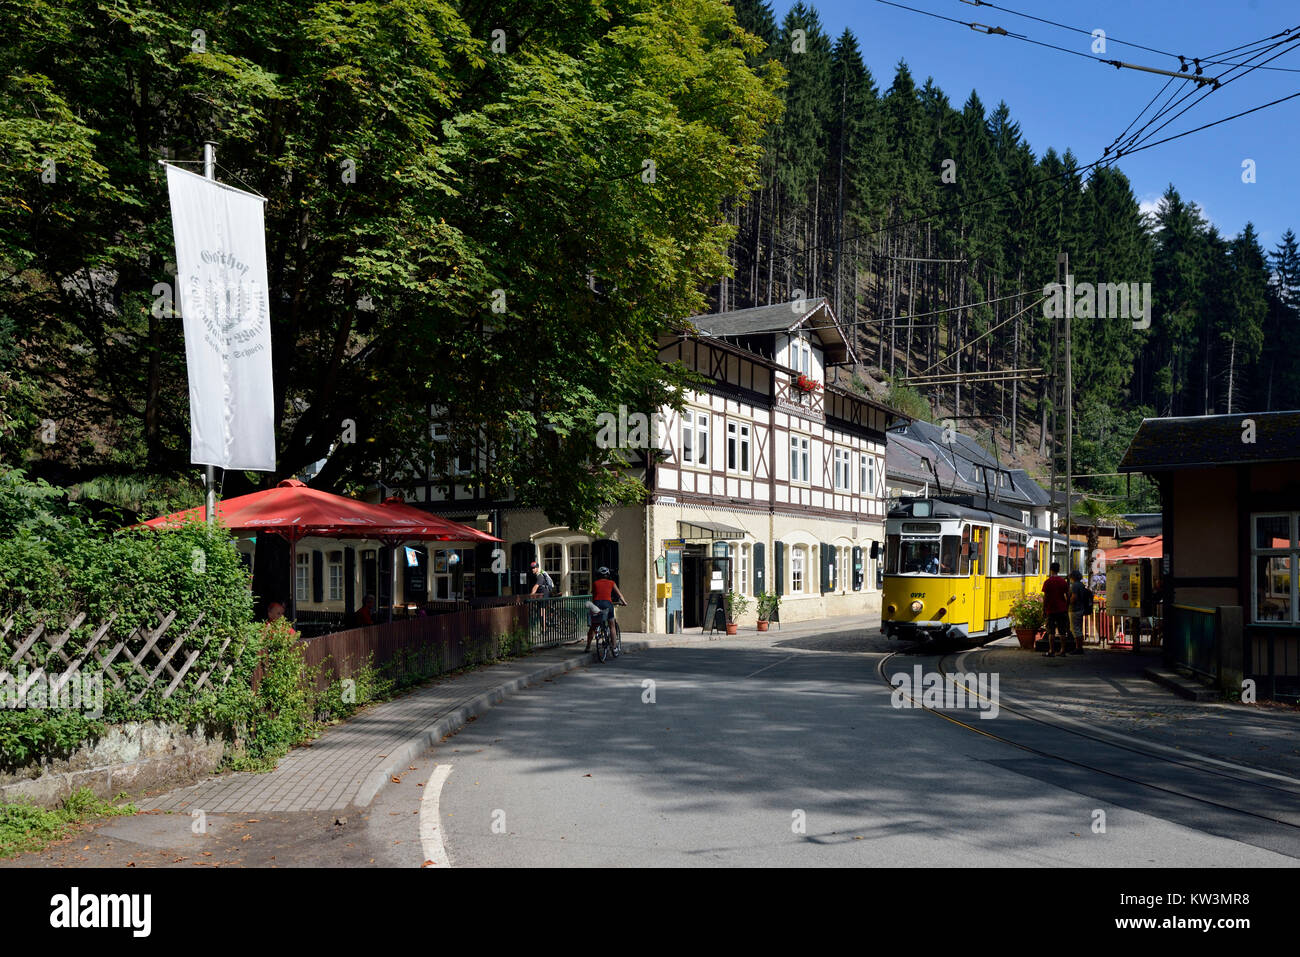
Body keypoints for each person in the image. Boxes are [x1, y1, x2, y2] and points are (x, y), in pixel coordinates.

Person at [585, 566, 626, 652]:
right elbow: (619, 595)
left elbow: (594, 596)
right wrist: (624, 602)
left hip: (596, 604)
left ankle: (588, 646)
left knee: (593, 626)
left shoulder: (595, 583)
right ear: (607, 575)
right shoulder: (611, 583)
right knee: (612, 625)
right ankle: (614, 647)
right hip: (607, 604)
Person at [1041, 562, 1071, 657]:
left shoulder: (1047, 582)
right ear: (1059, 570)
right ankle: (1062, 651)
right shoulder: (1063, 582)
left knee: (1051, 631)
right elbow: (1068, 595)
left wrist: (1044, 609)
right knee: (1062, 631)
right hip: (1062, 609)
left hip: (1051, 609)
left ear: (1051, 570)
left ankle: (1051, 651)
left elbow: (1045, 597)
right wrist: (1066, 605)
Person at [1069, 570, 1092, 654]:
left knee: (1075, 629)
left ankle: (1078, 648)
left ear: (1073, 577)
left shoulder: (1075, 585)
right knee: (1078, 628)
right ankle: (1079, 647)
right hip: (1081, 608)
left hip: (1075, 609)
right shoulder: (1081, 585)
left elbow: (1074, 597)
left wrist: (1068, 603)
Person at [529, 560, 555, 630]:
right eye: (532, 568)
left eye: (534, 568)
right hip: (545, 593)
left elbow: (536, 586)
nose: (532, 569)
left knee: (542, 611)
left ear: (537, 568)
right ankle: (551, 613)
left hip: (545, 593)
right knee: (543, 609)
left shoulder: (539, 575)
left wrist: (531, 595)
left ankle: (544, 629)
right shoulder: (539, 574)